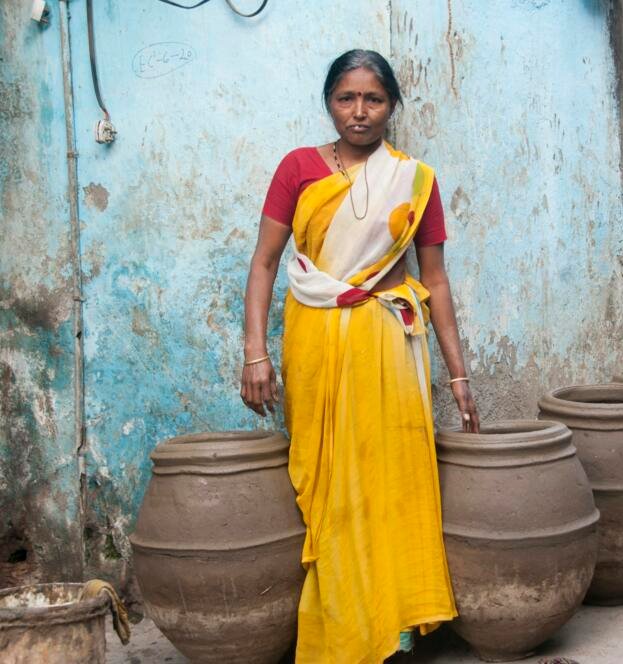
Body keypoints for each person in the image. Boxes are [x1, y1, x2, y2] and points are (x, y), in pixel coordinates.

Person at [240, 49, 480, 663]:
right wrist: (254, 353)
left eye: (373, 99)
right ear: (329, 103)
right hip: (315, 340)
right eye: (347, 98)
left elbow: (437, 280)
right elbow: (265, 263)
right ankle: (345, 626)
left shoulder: (415, 180)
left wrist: (458, 372)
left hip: (389, 344)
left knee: (390, 479)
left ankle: (392, 627)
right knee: (331, 487)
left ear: (393, 106)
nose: (360, 111)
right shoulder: (297, 168)